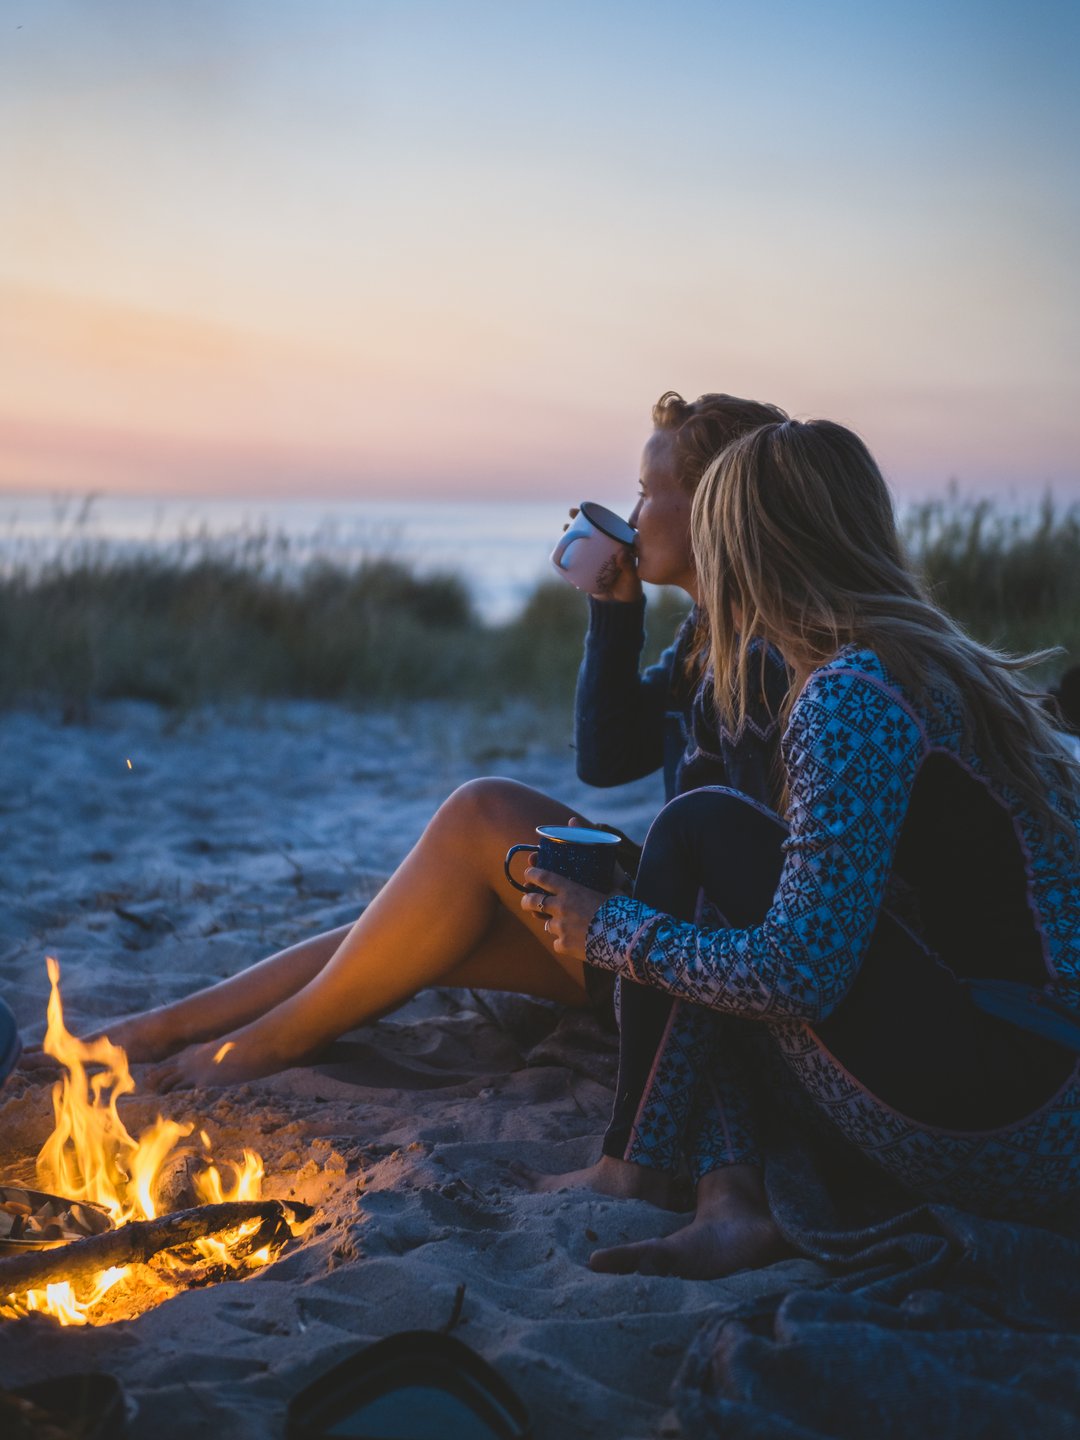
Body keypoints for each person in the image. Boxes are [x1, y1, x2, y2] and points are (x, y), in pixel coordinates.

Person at [24, 393, 789, 1110]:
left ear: (715, 508)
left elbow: (753, 885)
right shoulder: (705, 639)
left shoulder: (769, 658)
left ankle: (257, 1047)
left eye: (647, 494)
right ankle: (166, 1026)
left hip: (697, 965)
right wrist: (613, 614)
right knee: (408, 934)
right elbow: (608, 757)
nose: (627, 516)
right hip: (668, 926)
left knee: (479, 810)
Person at [528, 418, 1080, 1279]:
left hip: (1012, 1115)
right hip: (1044, 1081)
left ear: (744, 548)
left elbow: (799, 973)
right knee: (716, 869)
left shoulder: (850, 697)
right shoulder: (923, 657)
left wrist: (612, 932)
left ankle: (642, 1166)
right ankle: (716, 1194)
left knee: (700, 833)